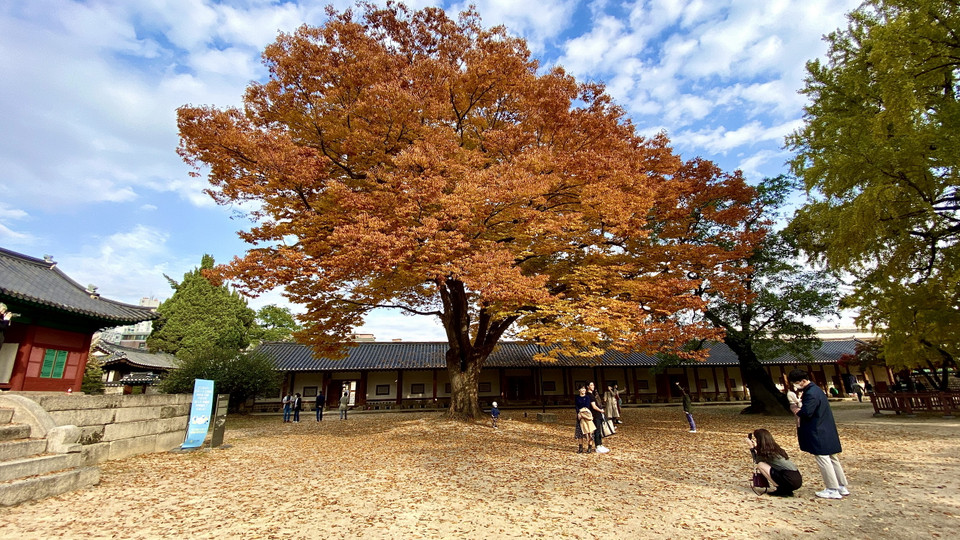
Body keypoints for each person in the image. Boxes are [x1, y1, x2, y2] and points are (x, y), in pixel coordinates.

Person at [788, 369, 850, 500]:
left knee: (823, 459)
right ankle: (841, 486)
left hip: (818, 430)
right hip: (826, 428)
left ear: (803, 381)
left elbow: (806, 412)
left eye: (796, 382)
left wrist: (795, 409)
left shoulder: (811, 393)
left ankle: (832, 488)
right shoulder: (817, 390)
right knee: (833, 458)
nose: (795, 385)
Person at [747, 429, 803, 497]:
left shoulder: (767, 453)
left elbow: (756, 460)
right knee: (764, 465)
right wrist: (756, 447)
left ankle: (781, 490)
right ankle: (786, 490)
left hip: (789, 479)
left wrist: (752, 448)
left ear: (759, 440)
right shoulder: (774, 449)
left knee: (761, 465)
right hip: (796, 479)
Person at [586, 382, 609, 453]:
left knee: (599, 430)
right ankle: (597, 446)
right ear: (588, 386)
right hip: (595, 415)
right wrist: (601, 410)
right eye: (591, 385)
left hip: (597, 414)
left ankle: (600, 444)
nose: (593, 386)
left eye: (593, 385)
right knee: (597, 430)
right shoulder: (590, 395)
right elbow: (594, 406)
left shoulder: (593, 394)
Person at [574, 385, 596, 453]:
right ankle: (580, 447)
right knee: (580, 433)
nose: (583, 390)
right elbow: (576, 406)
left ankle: (589, 447)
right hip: (580, 417)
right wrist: (578, 413)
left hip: (587, 415)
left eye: (584, 389)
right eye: (582, 389)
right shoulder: (577, 398)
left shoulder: (587, 397)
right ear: (579, 390)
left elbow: (587, 406)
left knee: (590, 432)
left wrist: (582, 413)